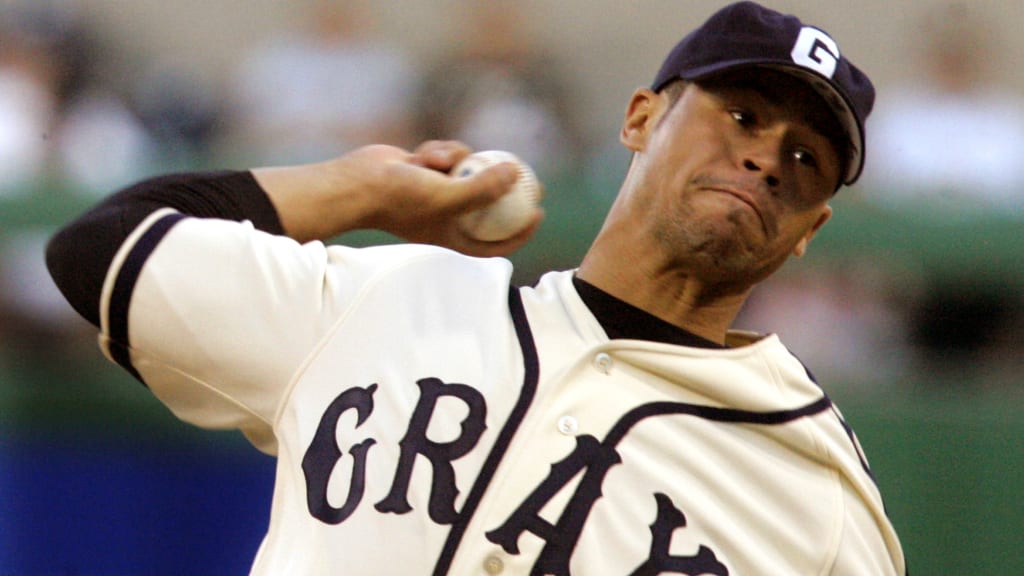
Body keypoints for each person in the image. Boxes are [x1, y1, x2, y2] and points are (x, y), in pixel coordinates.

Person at [45, 3, 905, 574]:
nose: (764, 160)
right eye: (744, 116)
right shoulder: (393, 300)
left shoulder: (817, 499)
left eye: (806, 159)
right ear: (641, 117)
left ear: (810, 232)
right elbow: (101, 252)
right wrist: (365, 191)